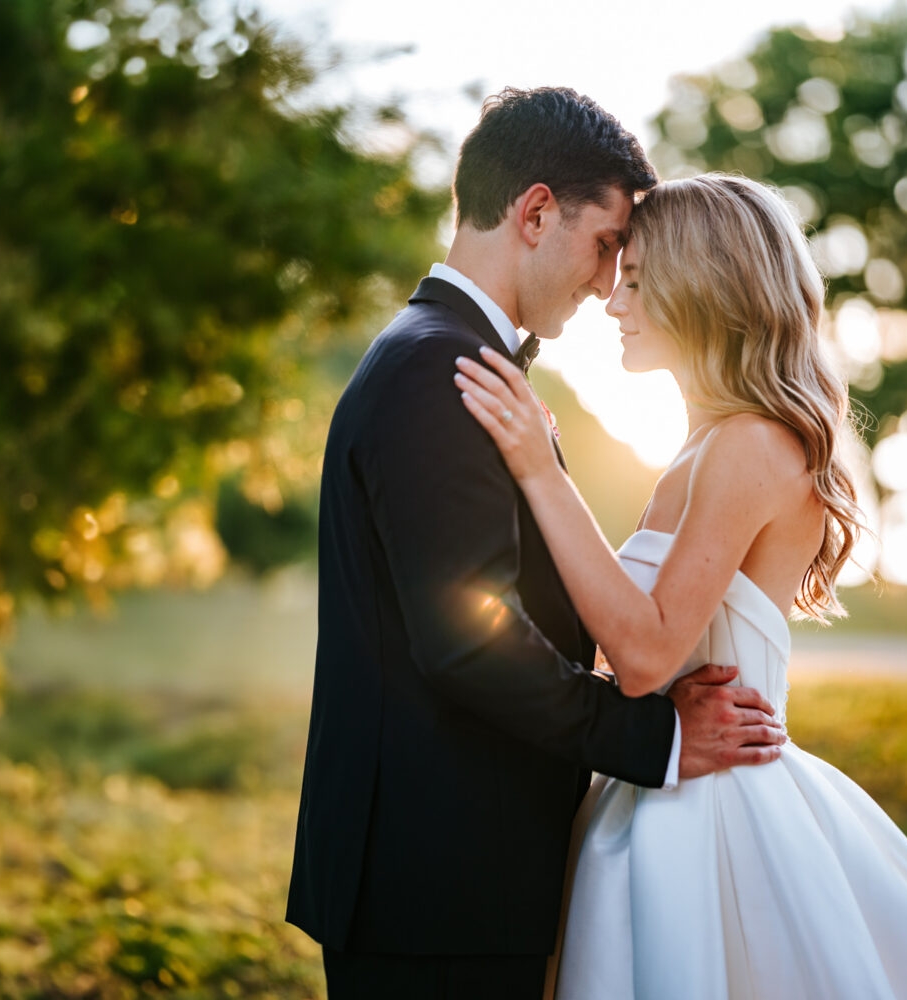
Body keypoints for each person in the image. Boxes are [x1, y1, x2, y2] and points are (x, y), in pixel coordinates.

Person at [454, 172, 907, 1000]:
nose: (613, 303)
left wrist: (538, 470)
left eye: (634, 282)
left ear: (700, 289)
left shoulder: (749, 445)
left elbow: (646, 651)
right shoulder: (708, 444)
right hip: (657, 792)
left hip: (714, 822)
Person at [284, 89, 786, 1000]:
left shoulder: (447, 358)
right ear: (537, 211)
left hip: (448, 878)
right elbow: (470, 641)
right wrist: (658, 735)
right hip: (435, 888)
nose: (608, 286)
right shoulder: (444, 373)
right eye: (606, 247)